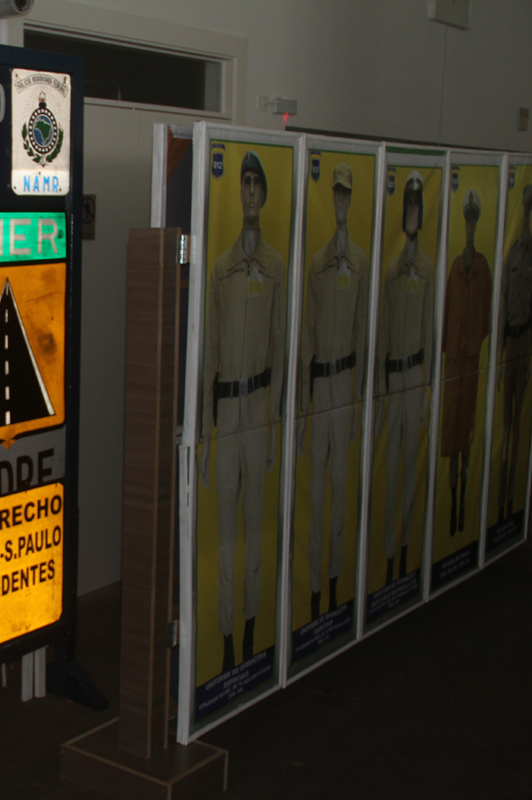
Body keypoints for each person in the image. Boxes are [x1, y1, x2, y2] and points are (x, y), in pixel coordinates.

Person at [199, 150, 286, 670]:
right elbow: (209, 356)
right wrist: (205, 437)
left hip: (258, 407)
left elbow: (280, 348)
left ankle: (252, 626)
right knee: (227, 535)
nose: (251, 191)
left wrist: (275, 425)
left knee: (255, 526)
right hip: (227, 410)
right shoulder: (220, 269)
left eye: (257, 183)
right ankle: (228, 633)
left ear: (265, 194)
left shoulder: (275, 268)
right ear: (239, 192)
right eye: (245, 182)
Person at [297, 163, 368, 620]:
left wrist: (360, 402)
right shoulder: (317, 265)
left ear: (352, 199)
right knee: (317, 496)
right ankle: (314, 590)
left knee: (340, 493)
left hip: (345, 385)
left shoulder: (360, 264)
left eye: (347, 194)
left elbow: (362, 334)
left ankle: (337, 582)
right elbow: (306, 341)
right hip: (320, 386)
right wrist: (304, 409)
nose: (341, 201)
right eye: (336, 194)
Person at [376, 171, 434, 585]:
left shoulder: (428, 269)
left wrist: (428, 389)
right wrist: (381, 394)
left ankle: (406, 551)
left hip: (416, 376)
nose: (412, 211)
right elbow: (381, 338)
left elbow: (430, 332)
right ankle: (387, 556)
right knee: (391, 473)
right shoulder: (391, 272)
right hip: (394, 378)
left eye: (417, 205)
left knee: (410, 471)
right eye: (408, 205)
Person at [440, 189, 492, 535]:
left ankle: (463, 499)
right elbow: (446, 316)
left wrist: (472, 346)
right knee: (451, 436)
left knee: (467, 434)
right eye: (467, 220)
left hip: (470, 365)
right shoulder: (456, 268)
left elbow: (486, 318)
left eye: (474, 220)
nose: (470, 226)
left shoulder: (483, 270)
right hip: (453, 367)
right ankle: (452, 502)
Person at [497, 184, 532, 522]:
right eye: (523, 206)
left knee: (518, 425)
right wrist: (499, 358)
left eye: (530, 205)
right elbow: (502, 308)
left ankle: (513, 494)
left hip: (525, 342)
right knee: (505, 424)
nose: (525, 212)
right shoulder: (510, 254)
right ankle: (500, 495)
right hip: (510, 342)